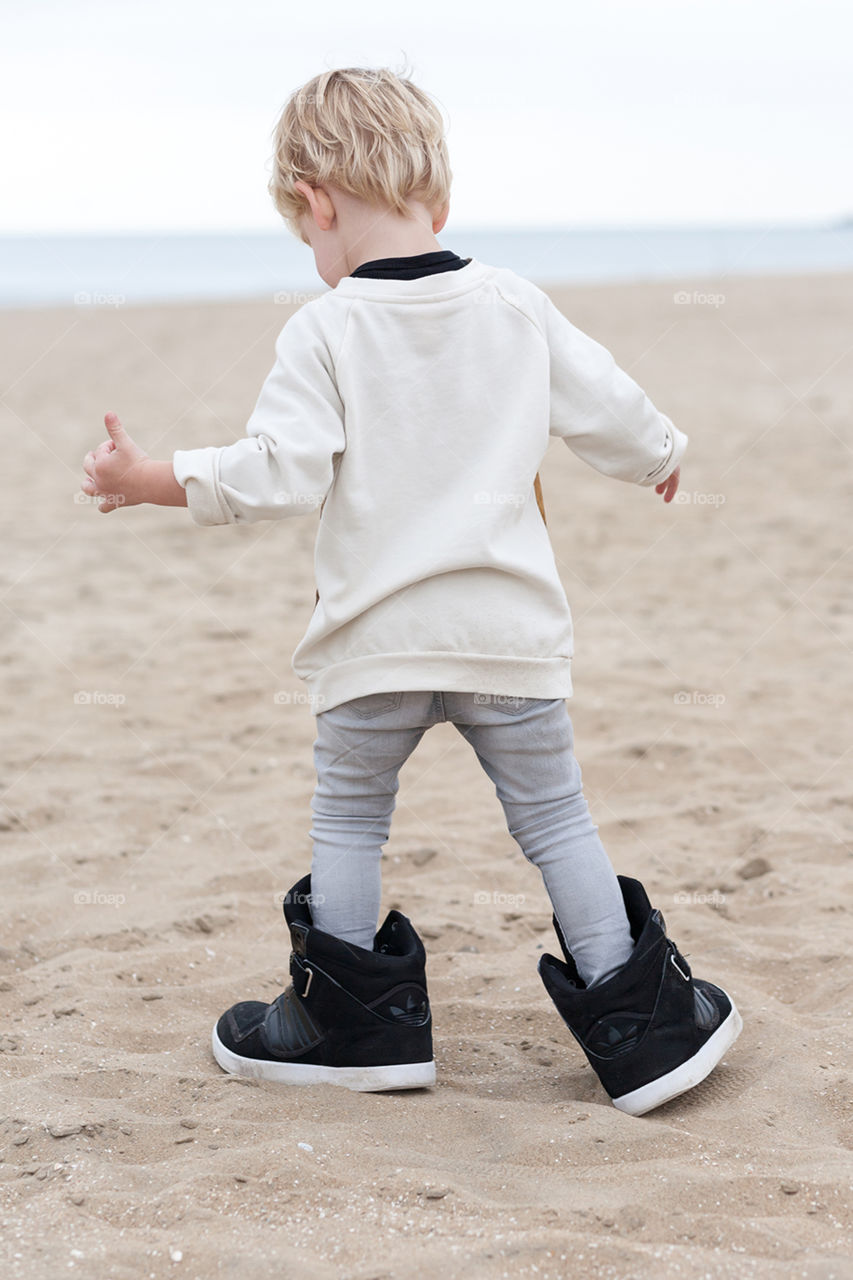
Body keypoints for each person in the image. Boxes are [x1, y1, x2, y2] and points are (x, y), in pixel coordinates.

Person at [80, 66, 741, 1115]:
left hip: (373, 646)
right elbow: (606, 402)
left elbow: (275, 471)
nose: (315, 254)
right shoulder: (514, 304)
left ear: (317, 202)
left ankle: (355, 1026)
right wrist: (657, 450)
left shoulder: (325, 328)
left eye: (306, 232)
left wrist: (151, 477)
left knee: (349, 816)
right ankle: (640, 1027)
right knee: (558, 819)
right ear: (436, 198)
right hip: (505, 639)